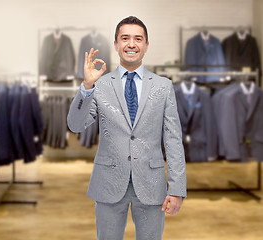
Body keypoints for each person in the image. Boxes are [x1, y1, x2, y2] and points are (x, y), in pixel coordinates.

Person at [67, 16, 186, 240]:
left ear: (146, 45)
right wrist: (87, 86)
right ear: (116, 44)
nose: (131, 44)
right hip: (108, 182)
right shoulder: (99, 85)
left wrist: (177, 188)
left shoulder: (163, 87)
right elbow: (75, 125)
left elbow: (173, 140)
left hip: (151, 184)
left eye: (138, 39)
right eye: (125, 38)